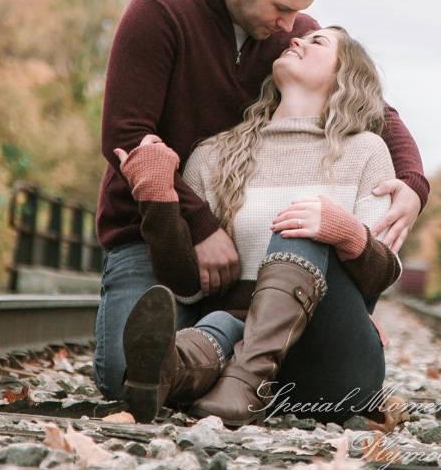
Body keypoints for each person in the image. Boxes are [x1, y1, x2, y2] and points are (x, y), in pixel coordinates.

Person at [93, 0, 428, 402]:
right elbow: (125, 135)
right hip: (148, 229)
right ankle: (207, 369)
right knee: (127, 373)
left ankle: (240, 379)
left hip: (282, 283)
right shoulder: (161, 13)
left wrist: (415, 186)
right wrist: (199, 223)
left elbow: (378, 110)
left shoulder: (298, 48)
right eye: (282, 9)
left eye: (302, 16)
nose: (292, 28)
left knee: (305, 228)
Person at [116, 26, 402, 427]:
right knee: (218, 323)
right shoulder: (215, 155)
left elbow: (382, 275)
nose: (296, 40)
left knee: (302, 224)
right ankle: (167, 370)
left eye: (317, 41)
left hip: (328, 366)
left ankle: (244, 381)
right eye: (297, 39)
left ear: (345, 74)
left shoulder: (365, 151)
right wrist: (158, 197)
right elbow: (187, 284)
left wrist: (345, 231)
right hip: (228, 354)